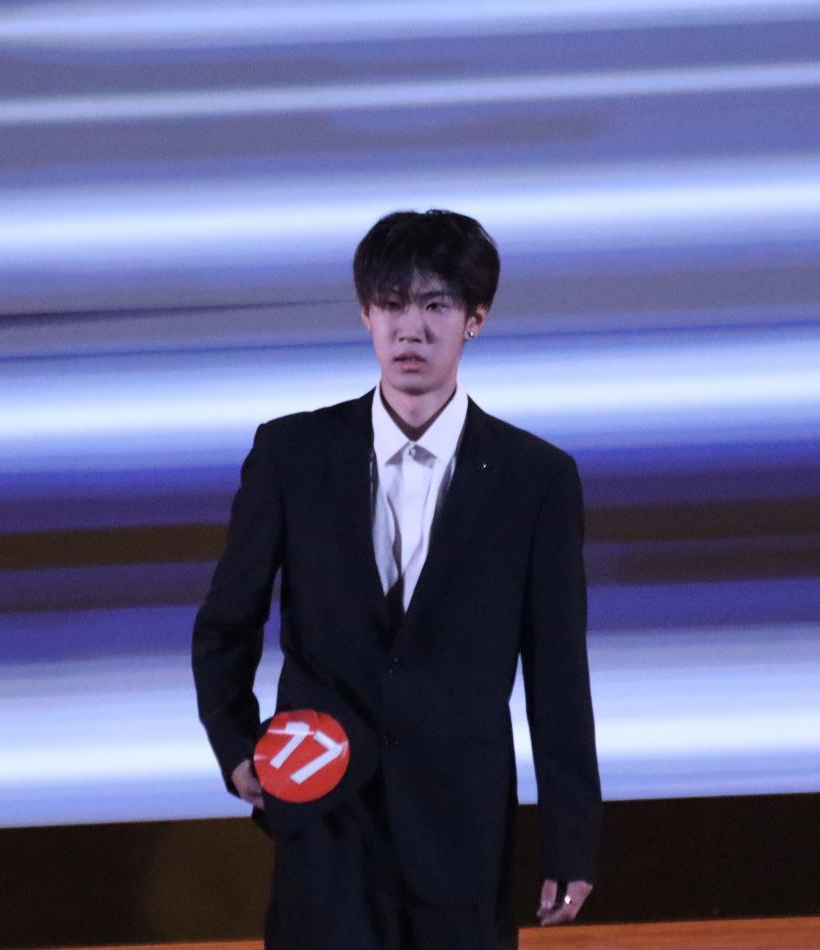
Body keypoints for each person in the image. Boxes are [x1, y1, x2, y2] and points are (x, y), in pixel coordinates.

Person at [192, 209, 601, 949]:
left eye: (436, 305)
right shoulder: (291, 454)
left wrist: (569, 839)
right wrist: (237, 746)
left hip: (461, 823)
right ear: (366, 315)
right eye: (391, 304)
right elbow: (227, 621)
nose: (410, 329)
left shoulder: (535, 479)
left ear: (476, 318)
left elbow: (557, 672)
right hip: (323, 814)